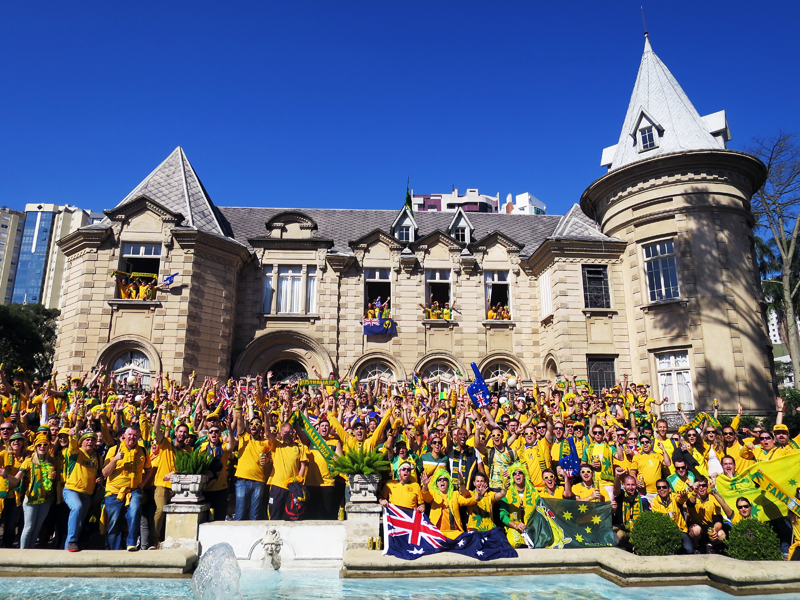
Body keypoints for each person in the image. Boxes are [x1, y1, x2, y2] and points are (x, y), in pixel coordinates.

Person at [102, 426, 153, 551]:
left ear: (139, 437)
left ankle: (131, 543)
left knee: (135, 512)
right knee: (114, 521)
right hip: (114, 491)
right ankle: (115, 549)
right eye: (130, 434)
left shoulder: (142, 451)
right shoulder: (113, 450)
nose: (132, 437)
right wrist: (115, 459)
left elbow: (149, 470)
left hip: (133, 490)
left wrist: (142, 484)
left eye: (135, 435)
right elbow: (104, 473)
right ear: (124, 435)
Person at [151, 404, 191, 542]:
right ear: (176, 432)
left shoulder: (188, 450)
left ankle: (170, 539)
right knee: (161, 510)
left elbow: (187, 468)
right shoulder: (166, 443)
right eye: (180, 432)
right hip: (162, 484)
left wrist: (174, 472)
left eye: (185, 432)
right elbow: (156, 431)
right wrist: (160, 410)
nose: (182, 434)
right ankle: (154, 539)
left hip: (178, 487)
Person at [14, 433, 57, 548]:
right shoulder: (29, 461)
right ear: (35, 447)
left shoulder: (51, 461)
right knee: (28, 528)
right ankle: (22, 552)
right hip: (31, 498)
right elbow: (17, 478)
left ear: (48, 447)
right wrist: (6, 476)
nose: (42, 447)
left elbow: (50, 482)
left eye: (45, 445)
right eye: (39, 445)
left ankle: (31, 551)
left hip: (46, 499)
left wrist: (53, 477)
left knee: (37, 528)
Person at [63, 431, 100, 552]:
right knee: (77, 508)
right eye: (87, 439)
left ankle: (68, 548)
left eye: (92, 440)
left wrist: (100, 478)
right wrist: (73, 435)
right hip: (72, 490)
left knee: (78, 523)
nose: (90, 441)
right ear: (81, 442)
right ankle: (72, 541)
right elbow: (72, 445)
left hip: (87, 494)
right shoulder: (76, 453)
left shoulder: (97, 457)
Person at [265, 422, 309, 520]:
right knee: (274, 515)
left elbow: (303, 466)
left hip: (292, 488)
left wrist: (297, 481)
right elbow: (267, 433)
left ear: (294, 434)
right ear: (281, 434)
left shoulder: (299, 447)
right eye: (285, 433)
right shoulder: (276, 445)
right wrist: (266, 417)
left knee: (292, 517)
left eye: (290, 432)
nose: (287, 435)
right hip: (277, 486)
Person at [234, 406, 270, 521]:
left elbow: (273, 456)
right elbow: (239, 418)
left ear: (261, 428)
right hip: (242, 481)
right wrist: (239, 399)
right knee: (239, 514)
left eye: (257, 424)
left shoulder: (265, 443)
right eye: (252, 424)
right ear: (249, 426)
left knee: (254, 516)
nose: (254, 426)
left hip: (258, 482)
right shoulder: (244, 437)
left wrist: (268, 460)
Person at [420, 468, 476, 539]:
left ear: (448, 482)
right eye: (439, 480)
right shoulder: (433, 494)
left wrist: (479, 496)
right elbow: (425, 496)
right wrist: (425, 485)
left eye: (445, 479)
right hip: (437, 533)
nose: (442, 481)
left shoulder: (455, 494)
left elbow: (467, 501)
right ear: (436, 484)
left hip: (454, 533)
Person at [199, 422, 235, 522]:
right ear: (208, 435)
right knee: (204, 519)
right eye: (211, 432)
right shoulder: (203, 448)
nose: (214, 433)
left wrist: (230, 431)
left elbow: (231, 446)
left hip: (220, 488)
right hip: (205, 488)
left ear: (219, 434)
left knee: (220, 517)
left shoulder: (223, 447)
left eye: (216, 432)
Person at [650, 477, 693, 554]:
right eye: (659, 488)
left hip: (680, 530)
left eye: (664, 487)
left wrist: (684, 497)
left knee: (689, 550)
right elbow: (658, 519)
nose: (661, 489)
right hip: (663, 532)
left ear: (669, 489)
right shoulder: (654, 501)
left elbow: (681, 500)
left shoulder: (674, 497)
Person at [613, 466, 651, 549]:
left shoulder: (642, 500)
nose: (630, 487)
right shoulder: (621, 495)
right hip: (621, 527)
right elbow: (616, 489)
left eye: (633, 485)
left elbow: (647, 518)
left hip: (636, 529)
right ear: (623, 485)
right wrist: (617, 476)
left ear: (636, 485)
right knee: (619, 535)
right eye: (628, 485)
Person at [0, 431, 26, 547]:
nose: (16, 441)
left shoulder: (26, 457)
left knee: (10, 525)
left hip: (15, 496)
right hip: (1, 494)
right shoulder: (3, 454)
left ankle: (7, 546)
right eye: (14, 440)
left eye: (19, 439)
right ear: (9, 443)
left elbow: (17, 479)